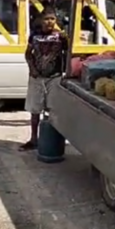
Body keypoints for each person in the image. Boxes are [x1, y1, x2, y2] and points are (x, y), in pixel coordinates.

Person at [21, 8, 69, 151]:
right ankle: (33, 139)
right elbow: (28, 53)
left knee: (53, 109)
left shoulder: (61, 37)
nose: (49, 22)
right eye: (46, 19)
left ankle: (51, 141)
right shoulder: (34, 35)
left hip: (54, 77)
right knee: (35, 110)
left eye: (52, 19)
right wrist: (32, 68)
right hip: (37, 77)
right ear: (41, 21)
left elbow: (68, 54)